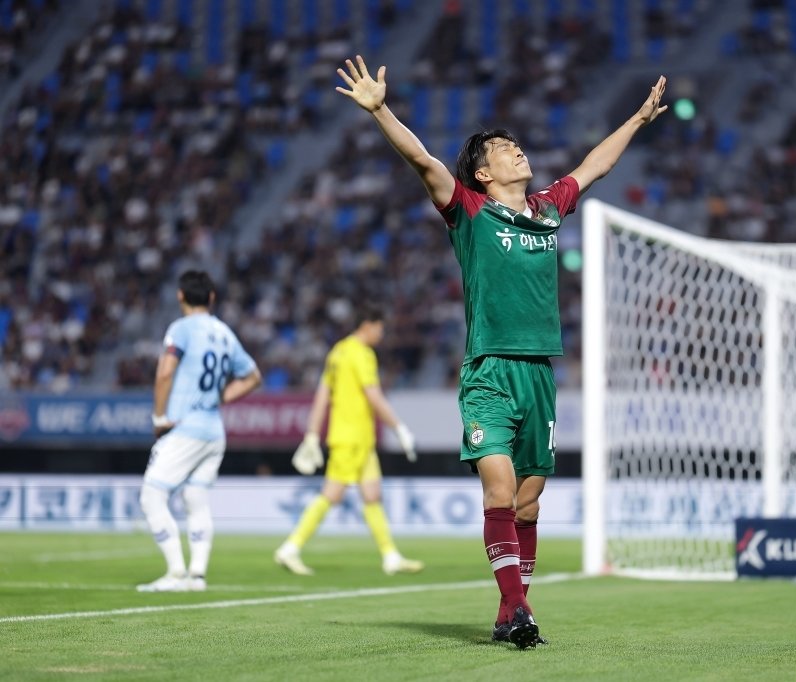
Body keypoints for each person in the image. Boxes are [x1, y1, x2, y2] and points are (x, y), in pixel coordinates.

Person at [334, 56, 667, 647]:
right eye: (503, 149)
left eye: (516, 145)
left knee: (530, 504)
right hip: (489, 369)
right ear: (484, 174)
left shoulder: (546, 209)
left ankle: (508, 611)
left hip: (539, 371)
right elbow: (422, 160)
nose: (516, 151)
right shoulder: (469, 211)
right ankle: (518, 612)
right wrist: (381, 108)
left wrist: (639, 119)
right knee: (499, 490)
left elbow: (595, 165)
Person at [274, 303, 424, 576]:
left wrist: (311, 434)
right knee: (331, 494)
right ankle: (290, 547)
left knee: (372, 495)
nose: (381, 334)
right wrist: (399, 428)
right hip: (352, 438)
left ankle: (390, 556)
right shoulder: (362, 353)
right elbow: (374, 395)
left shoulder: (338, 351)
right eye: (380, 328)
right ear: (367, 325)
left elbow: (322, 395)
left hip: (355, 439)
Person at [138, 270, 263, 592]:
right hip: (213, 430)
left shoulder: (180, 329)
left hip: (184, 426)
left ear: (180, 296)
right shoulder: (224, 333)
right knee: (196, 498)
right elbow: (252, 377)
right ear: (211, 298)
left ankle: (176, 574)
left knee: (152, 496)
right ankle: (197, 575)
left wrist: (159, 417)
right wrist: (220, 398)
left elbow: (165, 373)